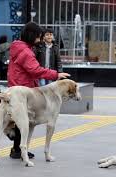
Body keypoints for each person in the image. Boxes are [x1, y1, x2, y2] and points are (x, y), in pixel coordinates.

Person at [8, 22, 70, 159]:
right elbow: (35, 70)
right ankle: (17, 148)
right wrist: (56, 74)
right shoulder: (26, 51)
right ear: (32, 35)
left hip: (17, 86)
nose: (40, 39)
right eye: (38, 36)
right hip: (23, 88)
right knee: (23, 121)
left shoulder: (20, 47)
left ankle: (17, 148)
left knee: (21, 119)